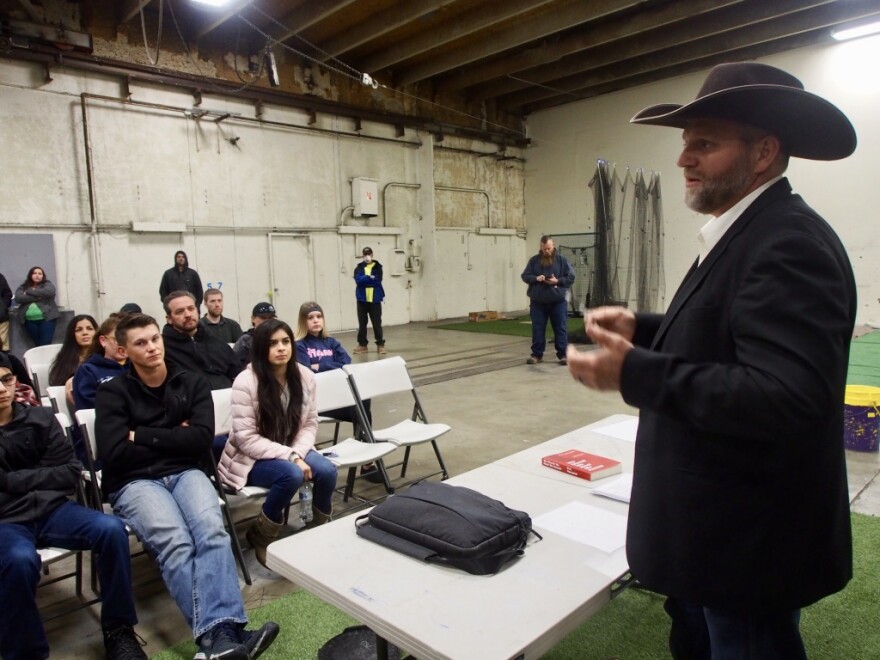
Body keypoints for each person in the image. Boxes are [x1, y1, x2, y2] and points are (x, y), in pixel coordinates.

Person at [566, 62, 857, 659]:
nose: (684, 159)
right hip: (710, 533)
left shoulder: (787, 243)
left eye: (705, 143)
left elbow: (786, 396)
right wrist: (644, 330)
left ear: (763, 153)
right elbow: (724, 333)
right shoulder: (747, 232)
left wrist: (635, 371)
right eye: (685, 143)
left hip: (746, 546)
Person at [95, 313, 280, 660]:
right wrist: (173, 435)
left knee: (212, 532)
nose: (151, 347)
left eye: (154, 338)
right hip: (134, 481)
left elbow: (198, 441)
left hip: (186, 471)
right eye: (140, 343)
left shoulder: (191, 383)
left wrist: (141, 435)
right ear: (123, 351)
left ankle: (217, 643)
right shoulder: (111, 393)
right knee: (175, 542)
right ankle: (223, 636)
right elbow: (114, 453)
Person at [0, 352, 147, 660]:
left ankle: (118, 631)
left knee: (110, 529)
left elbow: (68, 471)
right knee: (19, 560)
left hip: (54, 511)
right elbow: (54, 473)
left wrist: (11, 481)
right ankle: (26, 653)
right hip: (7, 521)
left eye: (6, 380)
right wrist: (41, 477)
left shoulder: (40, 418)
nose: (1, 389)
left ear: (15, 382)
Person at [218, 319, 337, 567]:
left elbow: (309, 423)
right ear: (261, 348)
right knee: (291, 475)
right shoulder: (245, 382)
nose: (281, 348)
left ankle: (317, 528)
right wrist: (292, 457)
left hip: (292, 447)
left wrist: (297, 452)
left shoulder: (305, 376)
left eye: (285, 342)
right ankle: (262, 535)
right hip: (250, 457)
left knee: (327, 471)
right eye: (273, 344)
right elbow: (246, 439)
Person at [161, 291, 241, 390]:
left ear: (197, 310)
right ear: (169, 319)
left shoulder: (218, 344)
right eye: (180, 311)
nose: (188, 314)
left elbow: (238, 377)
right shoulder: (162, 350)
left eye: (191, 308)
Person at [521, 236, 575, 365]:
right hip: (538, 302)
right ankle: (536, 355)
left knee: (560, 327)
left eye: (549, 249)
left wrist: (558, 281)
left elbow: (571, 277)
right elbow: (525, 276)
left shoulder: (562, 261)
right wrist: (536, 278)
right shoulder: (534, 261)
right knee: (538, 328)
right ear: (541, 247)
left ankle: (563, 355)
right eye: (544, 249)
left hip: (558, 301)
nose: (546, 251)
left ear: (554, 246)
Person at [48, 314, 97, 396]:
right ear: (72, 335)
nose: (85, 333)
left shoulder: (105, 357)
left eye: (90, 329)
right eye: (79, 330)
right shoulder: (64, 361)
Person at [14, 266, 61, 347]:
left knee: (45, 344)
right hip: (29, 321)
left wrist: (29, 291)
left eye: (40, 273)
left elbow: (49, 292)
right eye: (34, 273)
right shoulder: (23, 286)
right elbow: (18, 298)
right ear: (30, 275)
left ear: (43, 276)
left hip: (47, 319)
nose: (37, 275)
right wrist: (38, 296)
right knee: (37, 345)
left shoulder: (47, 284)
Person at [353, 246, 386, 354]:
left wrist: (366, 279)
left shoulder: (377, 267)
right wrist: (369, 277)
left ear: (372, 254)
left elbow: (377, 281)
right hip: (362, 300)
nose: (367, 256)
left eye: (369, 254)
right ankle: (362, 345)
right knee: (362, 323)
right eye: (365, 254)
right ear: (362, 255)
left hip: (375, 300)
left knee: (377, 322)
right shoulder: (359, 267)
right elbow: (358, 280)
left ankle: (380, 345)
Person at [232, 302, 277, 368]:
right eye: (263, 318)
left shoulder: (279, 337)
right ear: (253, 319)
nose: (267, 321)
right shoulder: (246, 341)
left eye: (271, 318)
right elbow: (234, 366)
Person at [0, 271, 11, 349]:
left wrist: (3, 307)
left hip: (1, 318)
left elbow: (7, 295)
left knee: (3, 345)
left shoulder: (0, 277)